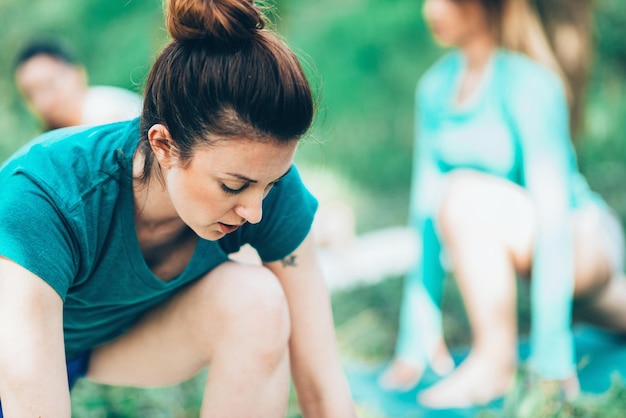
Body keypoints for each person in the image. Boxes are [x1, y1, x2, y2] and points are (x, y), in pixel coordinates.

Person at [0, 0, 356, 416]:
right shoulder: (45, 196)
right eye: (232, 186)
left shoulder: (263, 184)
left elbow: (323, 383)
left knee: (257, 303)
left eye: (270, 184)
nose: (255, 211)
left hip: (83, 347)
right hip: (17, 351)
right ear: (163, 145)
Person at [379, 0, 626, 409]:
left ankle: (495, 362)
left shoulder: (528, 82)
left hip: (581, 236)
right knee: (609, 308)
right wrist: (416, 333)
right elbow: (424, 210)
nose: (431, 9)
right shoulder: (435, 88)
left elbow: (553, 210)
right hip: (537, 261)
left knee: (461, 194)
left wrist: (551, 354)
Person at [14, 39, 142, 131]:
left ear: (77, 73)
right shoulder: (57, 136)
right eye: (31, 94)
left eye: (49, 85)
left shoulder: (108, 116)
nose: (43, 101)